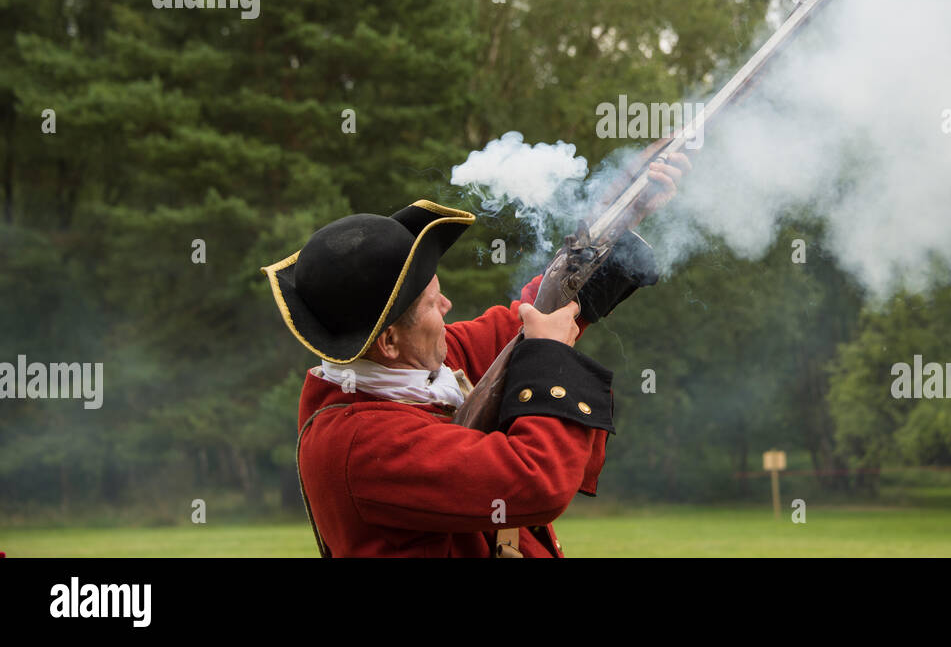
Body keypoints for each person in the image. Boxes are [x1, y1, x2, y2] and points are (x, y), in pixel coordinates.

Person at [261, 152, 689, 557]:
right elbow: (533, 482)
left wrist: (622, 209)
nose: (446, 306)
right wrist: (551, 357)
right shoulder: (359, 446)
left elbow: (527, 317)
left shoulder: (415, 366)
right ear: (388, 341)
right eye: (431, 303)